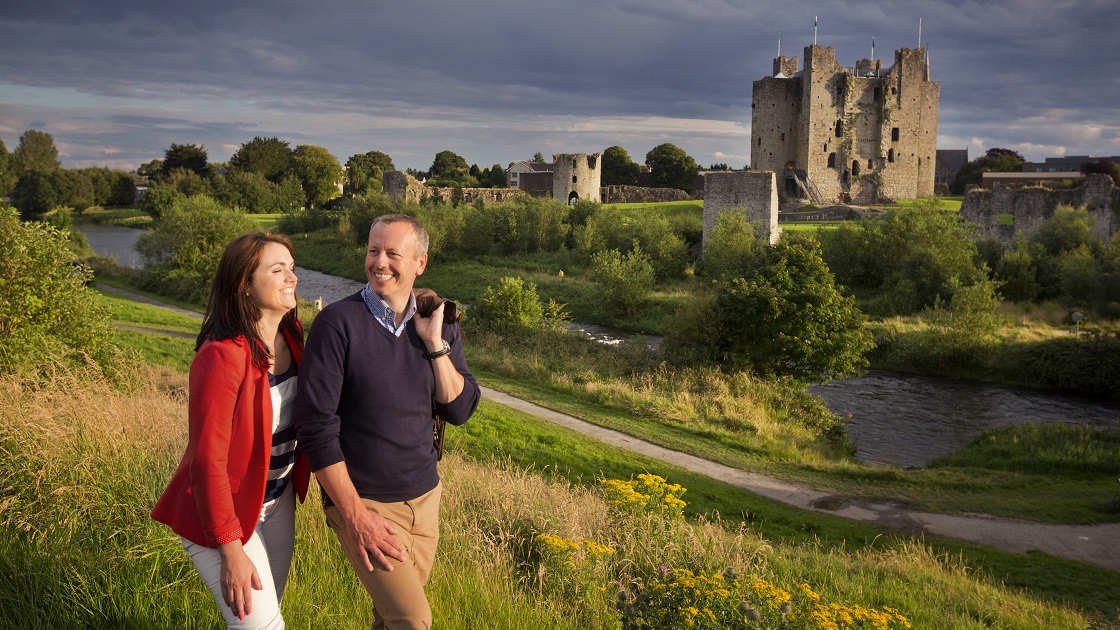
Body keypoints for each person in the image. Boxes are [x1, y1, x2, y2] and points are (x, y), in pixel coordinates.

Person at [295, 214, 480, 629]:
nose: (380, 262)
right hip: (366, 502)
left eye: (392, 253)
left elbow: (461, 408)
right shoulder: (337, 324)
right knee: (413, 621)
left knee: (389, 620)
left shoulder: (439, 321)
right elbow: (315, 428)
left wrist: (435, 344)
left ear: (420, 262)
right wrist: (355, 515)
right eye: (373, 250)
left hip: (425, 499)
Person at [151, 232, 311, 629]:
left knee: (263, 618)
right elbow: (207, 462)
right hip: (222, 519)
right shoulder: (222, 356)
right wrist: (231, 550)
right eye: (278, 270)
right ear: (244, 284)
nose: (292, 278)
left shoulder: (293, 336)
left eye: (292, 268)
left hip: (275, 502)